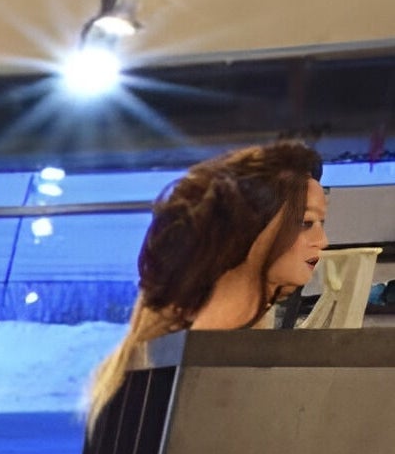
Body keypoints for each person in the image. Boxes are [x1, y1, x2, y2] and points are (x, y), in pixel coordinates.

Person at [87, 141, 329, 425]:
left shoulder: (160, 365)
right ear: (247, 232)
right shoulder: (191, 377)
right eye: (306, 222)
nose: (322, 241)